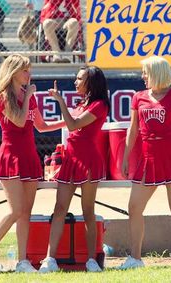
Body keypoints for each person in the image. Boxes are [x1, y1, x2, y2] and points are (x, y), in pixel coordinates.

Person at [0, 54, 65, 274]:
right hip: (11, 156)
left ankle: (22, 261)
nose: (29, 74)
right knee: (16, 210)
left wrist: (69, 120)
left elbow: (41, 126)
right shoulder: (3, 96)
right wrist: (28, 97)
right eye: (25, 70)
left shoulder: (30, 97)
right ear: (13, 72)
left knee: (26, 212)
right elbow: (18, 120)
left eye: (29, 70)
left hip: (29, 156)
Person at [119, 55, 171, 270]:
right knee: (134, 207)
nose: (142, 76)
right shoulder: (139, 97)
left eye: (145, 72)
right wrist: (126, 156)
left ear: (156, 73)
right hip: (147, 157)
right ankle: (135, 259)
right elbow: (133, 129)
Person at [39, 66, 110, 272]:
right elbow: (62, 124)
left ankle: (90, 260)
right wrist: (40, 124)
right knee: (59, 209)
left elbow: (73, 125)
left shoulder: (99, 105)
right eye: (76, 78)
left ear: (92, 82)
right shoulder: (82, 103)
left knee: (88, 211)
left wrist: (60, 101)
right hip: (70, 159)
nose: (76, 82)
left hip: (88, 160)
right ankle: (49, 259)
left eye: (80, 79)